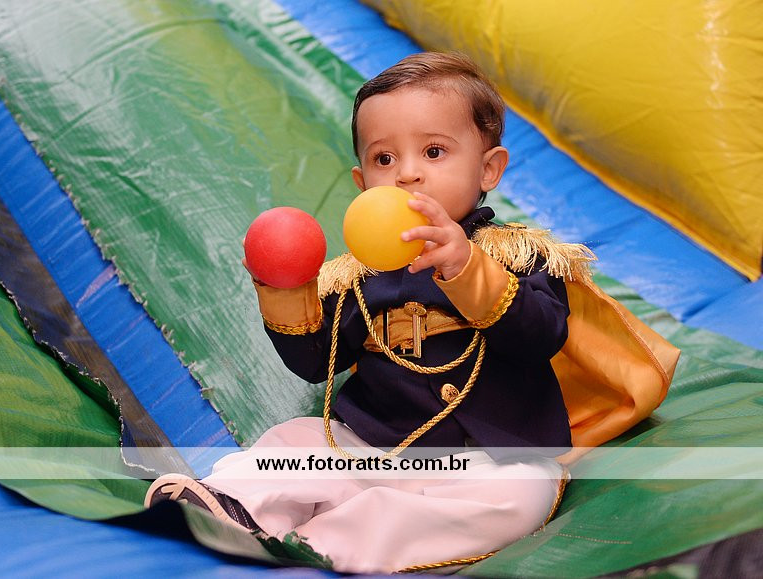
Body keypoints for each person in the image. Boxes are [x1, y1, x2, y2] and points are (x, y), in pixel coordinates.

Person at [145, 52, 656, 573]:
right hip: (372, 447)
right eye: (384, 159)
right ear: (362, 181)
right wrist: (284, 287)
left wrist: (466, 267)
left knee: (521, 494)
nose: (407, 174)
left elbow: (540, 335)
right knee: (296, 440)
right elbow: (316, 362)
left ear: (488, 168)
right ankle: (230, 505)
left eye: (434, 151)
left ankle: (325, 544)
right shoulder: (356, 277)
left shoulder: (519, 255)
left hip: (486, 460)